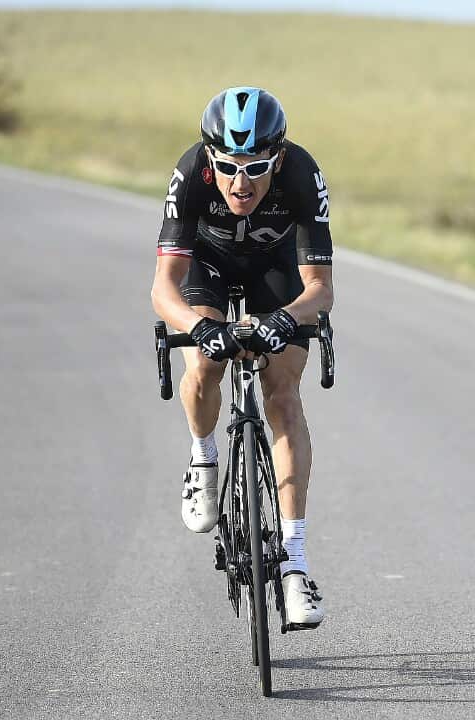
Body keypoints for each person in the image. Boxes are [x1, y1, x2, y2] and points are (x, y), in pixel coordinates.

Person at [150, 87, 333, 628]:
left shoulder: (301, 173)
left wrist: (284, 319)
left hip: (278, 268)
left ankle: (295, 564)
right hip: (209, 262)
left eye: (255, 167)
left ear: (277, 156)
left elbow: (320, 289)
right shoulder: (190, 173)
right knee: (204, 365)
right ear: (211, 157)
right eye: (228, 166)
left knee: (283, 393)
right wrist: (202, 327)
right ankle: (204, 458)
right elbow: (164, 289)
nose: (240, 183)